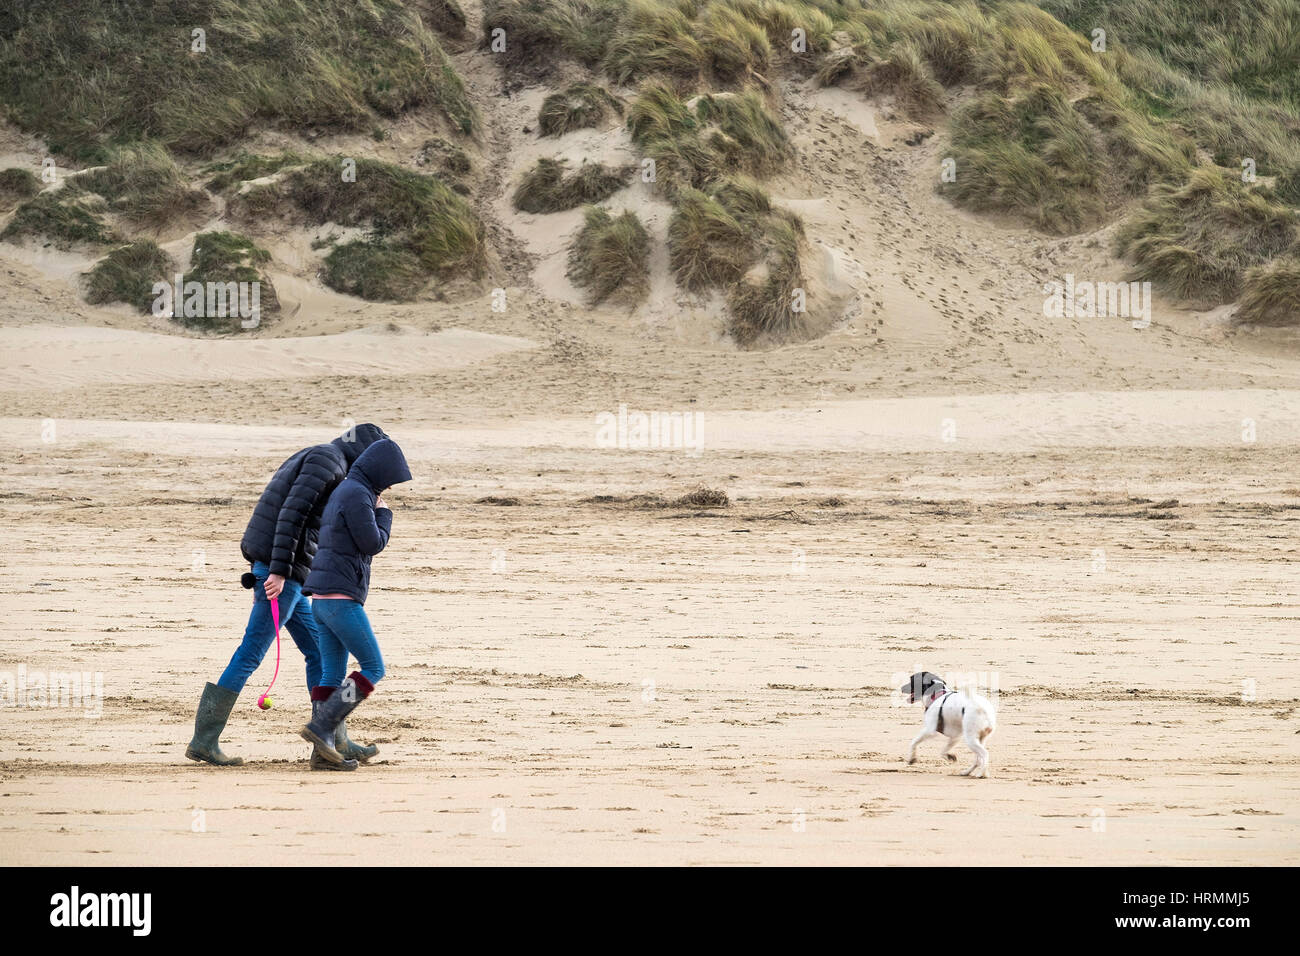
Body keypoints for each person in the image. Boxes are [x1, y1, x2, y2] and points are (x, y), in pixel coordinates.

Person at [185, 423, 390, 770]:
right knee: (251, 652)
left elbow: (288, 513)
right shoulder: (329, 461)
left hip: (287, 571)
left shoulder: (324, 457)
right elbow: (290, 515)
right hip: (284, 572)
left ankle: (333, 741)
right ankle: (204, 739)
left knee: (318, 656)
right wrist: (277, 570)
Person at [300, 437, 411, 766]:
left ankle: (322, 754)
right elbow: (372, 543)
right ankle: (322, 726)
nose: (390, 486)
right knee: (374, 667)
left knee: (331, 675)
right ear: (379, 472)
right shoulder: (358, 494)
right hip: (340, 600)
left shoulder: (344, 491)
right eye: (390, 479)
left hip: (320, 599)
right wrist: (385, 515)